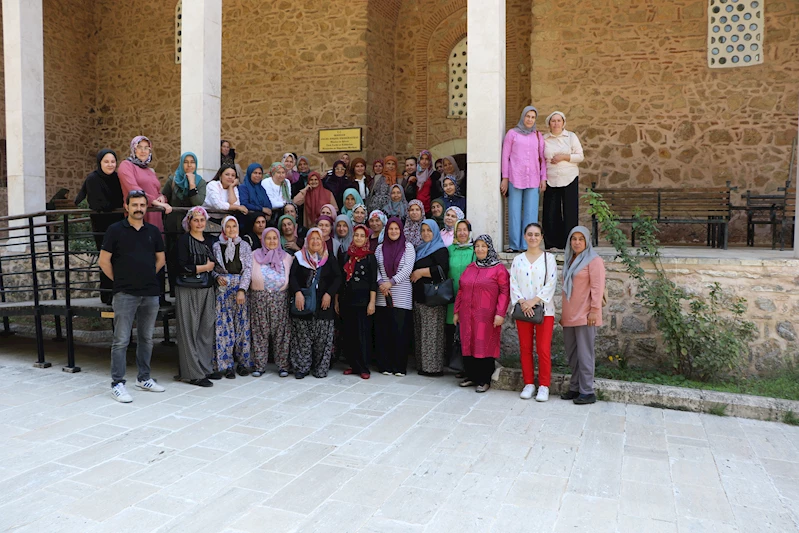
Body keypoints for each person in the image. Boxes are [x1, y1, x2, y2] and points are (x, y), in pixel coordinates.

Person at [99, 190, 166, 403]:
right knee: (121, 340)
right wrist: (120, 280)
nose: (139, 209)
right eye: (135, 205)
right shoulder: (115, 230)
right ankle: (117, 384)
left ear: (146, 207)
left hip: (150, 293)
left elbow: (161, 259)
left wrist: (147, 275)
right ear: (127, 207)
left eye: (142, 205)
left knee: (147, 338)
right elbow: (103, 261)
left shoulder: (153, 231)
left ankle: (144, 378)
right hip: (125, 293)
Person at [454, 234, 510, 393]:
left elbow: (504, 292)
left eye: (483, 246)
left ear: (489, 248)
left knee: (484, 345)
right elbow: (461, 290)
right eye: (477, 246)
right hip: (467, 314)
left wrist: (500, 313)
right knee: (468, 343)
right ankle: (471, 376)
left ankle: (484, 379)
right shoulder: (471, 267)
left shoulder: (498, 269)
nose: (479, 249)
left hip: (487, 316)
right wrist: (457, 311)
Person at [510, 223, 558, 401]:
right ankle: (529, 383)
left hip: (544, 310)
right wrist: (523, 302)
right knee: (525, 348)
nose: (533, 238)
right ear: (524, 236)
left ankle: (544, 386)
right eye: (529, 234)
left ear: (542, 237)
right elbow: (513, 282)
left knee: (543, 349)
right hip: (523, 310)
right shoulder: (518, 260)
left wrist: (534, 301)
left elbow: (551, 283)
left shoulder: (549, 259)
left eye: (536, 234)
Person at [289, 228, 342, 379]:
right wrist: (297, 292)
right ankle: (302, 367)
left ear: (323, 241)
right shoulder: (299, 257)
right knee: (302, 338)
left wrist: (329, 294)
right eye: (312, 238)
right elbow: (292, 277)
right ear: (307, 241)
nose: (315, 241)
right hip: (304, 303)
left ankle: (320, 368)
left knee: (323, 339)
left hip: (323, 305)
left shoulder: (328, 257)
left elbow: (338, 278)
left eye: (318, 238)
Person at [561, 226, 605, 405]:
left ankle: (587, 391)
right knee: (573, 355)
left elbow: (597, 288)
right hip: (569, 315)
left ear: (587, 241)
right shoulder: (569, 259)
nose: (577, 242)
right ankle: (575, 387)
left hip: (586, 315)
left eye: (581, 239)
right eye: (574, 239)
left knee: (585, 354)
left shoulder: (594, 261)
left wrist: (594, 310)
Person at [174, 206, 217, 387]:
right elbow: (180, 265)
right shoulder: (183, 241)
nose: (199, 223)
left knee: (206, 329)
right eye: (195, 220)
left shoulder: (210, 240)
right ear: (189, 222)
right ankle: (192, 374)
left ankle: (205, 368)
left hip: (206, 288)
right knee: (188, 331)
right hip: (187, 289)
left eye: (202, 220)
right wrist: (203, 268)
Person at [76, 149, 123, 305]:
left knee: (119, 258)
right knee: (106, 258)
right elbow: (98, 204)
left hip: (118, 224)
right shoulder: (93, 179)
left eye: (113, 161)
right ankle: (107, 294)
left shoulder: (117, 178)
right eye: (106, 161)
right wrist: (116, 205)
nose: (110, 165)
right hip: (102, 226)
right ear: (99, 163)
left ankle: (118, 292)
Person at [161, 152, 209, 297]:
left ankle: (189, 289)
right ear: (181, 164)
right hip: (173, 226)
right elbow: (164, 196)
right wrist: (161, 198)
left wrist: (192, 183)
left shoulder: (200, 182)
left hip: (191, 227)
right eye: (186, 162)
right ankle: (174, 292)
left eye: (192, 162)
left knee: (188, 257)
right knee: (172, 257)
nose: (189, 165)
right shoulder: (173, 180)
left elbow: (197, 202)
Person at [501, 105, 547, 252]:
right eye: (528, 116)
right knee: (514, 212)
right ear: (523, 117)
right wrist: (505, 178)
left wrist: (543, 178)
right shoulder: (512, 134)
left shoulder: (538, 136)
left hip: (533, 179)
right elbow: (505, 156)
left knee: (531, 213)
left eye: (533, 117)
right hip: (515, 177)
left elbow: (542, 159)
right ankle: (514, 245)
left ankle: (528, 245)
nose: (530, 119)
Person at [212, 216, 254, 378]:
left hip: (240, 289)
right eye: (228, 227)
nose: (231, 230)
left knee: (242, 326)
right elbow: (213, 268)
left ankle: (243, 363)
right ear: (223, 228)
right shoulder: (217, 246)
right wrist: (217, 277)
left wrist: (242, 289)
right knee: (224, 327)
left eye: (234, 226)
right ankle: (227, 364)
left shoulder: (244, 245)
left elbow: (248, 269)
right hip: (223, 290)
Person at [250, 227, 294, 377]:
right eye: (268, 238)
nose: (272, 241)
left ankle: (283, 366)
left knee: (282, 333)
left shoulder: (287, 258)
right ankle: (259, 366)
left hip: (280, 300)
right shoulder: (254, 256)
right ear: (263, 239)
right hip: (259, 299)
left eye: (275, 238)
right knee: (259, 332)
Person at [375, 217, 416, 376]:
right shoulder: (380, 248)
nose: (393, 231)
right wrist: (381, 283)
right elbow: (376, 268)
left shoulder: (408, 247)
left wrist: (390, 283)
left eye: (396, 229)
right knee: (384, 331)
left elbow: (407, 269)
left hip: (401, 295)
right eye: (390, 229)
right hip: (382, 294)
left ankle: (399, 367)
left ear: (401, 230)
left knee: (400, 332)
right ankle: (385, 365)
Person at [337, 224, 378, 379]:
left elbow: (373, 281)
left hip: (363, 302)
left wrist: (372, 302)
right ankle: (353, 365)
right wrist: (337, 300)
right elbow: (341, 280)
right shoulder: (346, 255)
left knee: (362, 334)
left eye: (362, 236)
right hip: (347, 300)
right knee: (349, 334)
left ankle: (363, 367)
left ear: (366, 238)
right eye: (356, 235)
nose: (359, 238)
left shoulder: (370, 257)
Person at [411, 219, 450, 376]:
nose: (426, 233)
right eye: (423, 230)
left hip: (433, 298)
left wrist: (421, 272)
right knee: (421, 332)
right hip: (419, 296)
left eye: (429, 230)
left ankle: (433, 368)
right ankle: (422, 365)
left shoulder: (440, 249)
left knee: (432, 334)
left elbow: (442, 270)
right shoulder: (420, 249)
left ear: (435, 232)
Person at [543, 111, 584, 250]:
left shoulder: (571, 137)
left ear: (563, 122)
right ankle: (552, 243)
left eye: (559, 120)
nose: (556, 123)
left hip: (569, 177)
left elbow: (580, 156)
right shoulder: (544, 139)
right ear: (549, 123)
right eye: (553, 121)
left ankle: (570, 243)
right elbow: (540, 159)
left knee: (570, 212)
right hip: (551, 178)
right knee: (551, 211)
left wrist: (564, 157)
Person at [118, 136, 172, 234]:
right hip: (139, 213)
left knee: (155, 240)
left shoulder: (150, 170)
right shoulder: (126, 165)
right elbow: (133, 189)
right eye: (139, 147)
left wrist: (161, 197)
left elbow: (156, 191)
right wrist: (157, 203)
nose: (143, 151)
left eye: (146, 148)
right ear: (133, 149)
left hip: (155, 214)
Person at [446, 220, 475, 374]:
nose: (462, 233)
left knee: (466, 331)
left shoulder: (474, 250)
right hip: (451, 296)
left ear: (469, 232)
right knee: (452, 329)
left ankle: (466, 367)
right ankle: (453, 364)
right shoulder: (450, 249)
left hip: (468, 297)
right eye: (459, 230)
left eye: (465, 230)